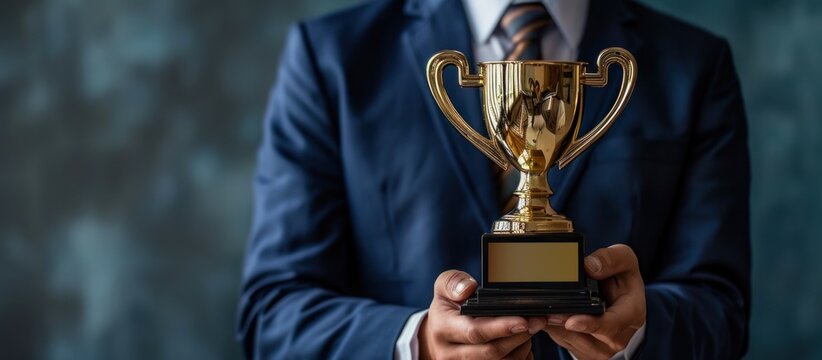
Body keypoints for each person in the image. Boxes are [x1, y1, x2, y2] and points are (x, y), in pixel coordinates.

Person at [235, 0, 751, 358]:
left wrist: (638, 333)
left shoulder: (693, 66)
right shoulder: (331, 59)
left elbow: (720, 309)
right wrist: (418, 344)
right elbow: (274, 313)